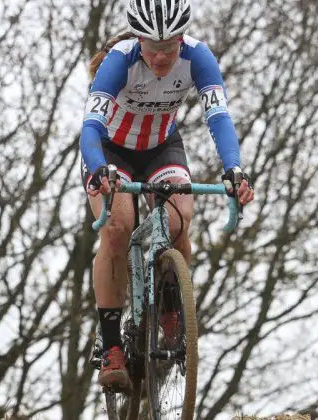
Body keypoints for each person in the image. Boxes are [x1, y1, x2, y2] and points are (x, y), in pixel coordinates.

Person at [79, 0, 255, 389]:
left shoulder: (198, 57)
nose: (160, 57)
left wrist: (233, 169)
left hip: (161, 147)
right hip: (110, 152)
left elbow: (219, 117)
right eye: (152, 47)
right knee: (117, 227)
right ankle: (111, 345)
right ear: (138, 38)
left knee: (178, 220)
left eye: (169, 48)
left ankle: (172, 307)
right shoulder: (119, 62)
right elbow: (90, 128)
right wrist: (97, 170)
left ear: (181, 38)